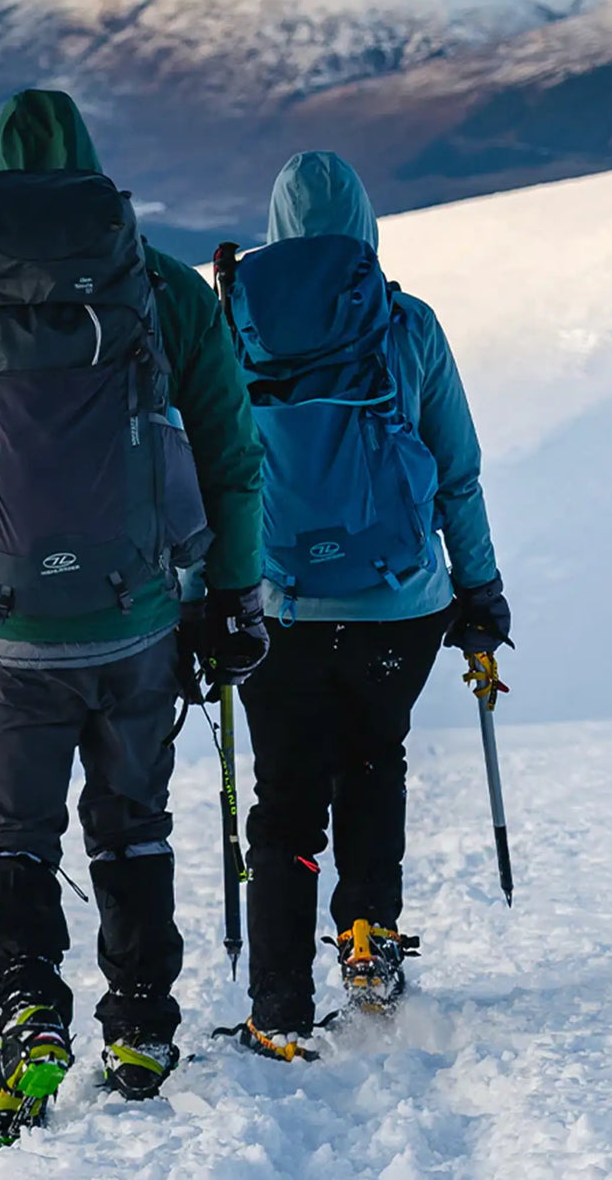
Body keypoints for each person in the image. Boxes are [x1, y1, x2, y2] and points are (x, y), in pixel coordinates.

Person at [0, 89, 267, 1147]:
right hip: (136, 620)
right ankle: (140, 1026)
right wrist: (234, 598)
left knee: (13, 835)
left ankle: (26, 1007)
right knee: (131, 824)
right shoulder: (156, 284)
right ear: (88, 171)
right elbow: (228, 455)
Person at [226, 151, 511, 1060]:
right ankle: (368, 945)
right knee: (372, 761)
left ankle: (276, 1005)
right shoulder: (407, 324)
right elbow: (455, 473)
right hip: (399, 604)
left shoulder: (233, 321)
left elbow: (209, 478)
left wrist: (203, 599)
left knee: (285, 801)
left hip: (279, 605)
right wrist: (480, 590)